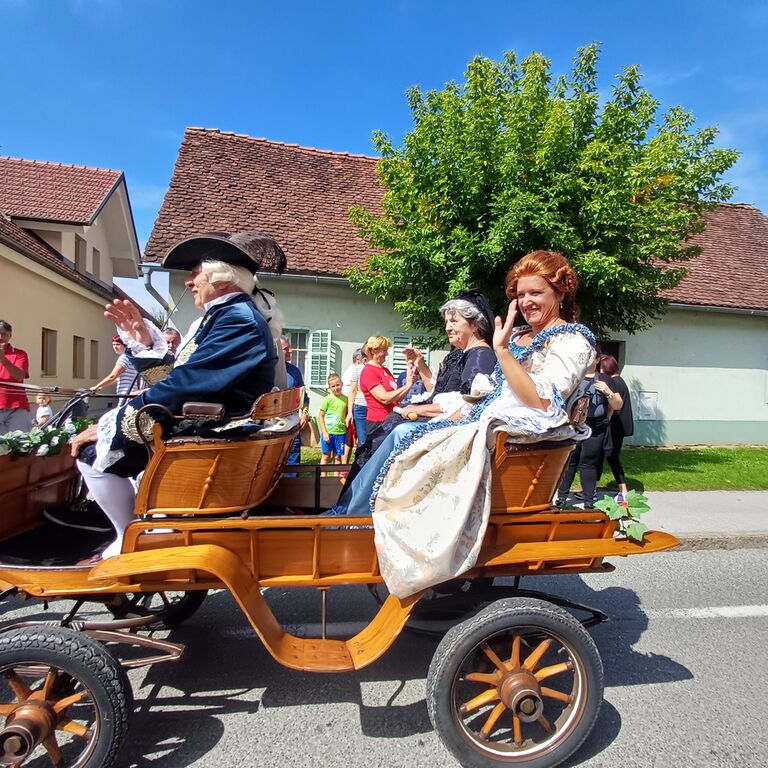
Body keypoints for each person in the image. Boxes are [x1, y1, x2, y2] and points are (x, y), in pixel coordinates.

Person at [329, 250, 596, 599]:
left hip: (517, 437)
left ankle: (354, 520)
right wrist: (453, 409)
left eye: (536, 292)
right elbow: (490, 393)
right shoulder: (519, 336)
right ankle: (354, 516)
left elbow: (542, 402)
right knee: (400, 431)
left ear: (560, 292)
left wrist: (501, 353)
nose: (527, 301)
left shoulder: (571, 341)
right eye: (521, 294)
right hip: (490, 421)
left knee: (404, 433)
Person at [70, 231, 287, 562]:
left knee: (90, 453)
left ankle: (130, 538)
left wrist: (111, 422)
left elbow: (187, 384)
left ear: (221, 278)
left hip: (211, 431)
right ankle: (133, 533)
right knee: (97, 448)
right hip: (201, 423)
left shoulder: (237, 320)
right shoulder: (226, 315)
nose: (189, 282)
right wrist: (145, 345)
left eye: (195, 273)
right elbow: (182, 379)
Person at [346, 290, 497, 480]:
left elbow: (469, 404)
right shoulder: (461, 354)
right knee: (380, 438)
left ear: (474, 324)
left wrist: (419, 409)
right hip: (434, 416)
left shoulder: (480, 355)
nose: (448, 328)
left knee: (396, 433)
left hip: (452, 427)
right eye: (446, 322)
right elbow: (438, 392)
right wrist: (420, 363)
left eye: (454, 321)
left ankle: (371, 494)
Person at [555, 353, 622, 509]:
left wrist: (607, 391)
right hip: (574, 426)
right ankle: (561, 499)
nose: (587, 359)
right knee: (570, 462)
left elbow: (618, 404)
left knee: (589, 463)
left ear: (597, 360)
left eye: (591, 356)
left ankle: (589, 502)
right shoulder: (574, 377)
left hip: (596, 427)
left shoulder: (604, 379)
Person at [358, 336, 414, 435]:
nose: (387, 354)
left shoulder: (385, 370)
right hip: (378, 424)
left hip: (391, 419)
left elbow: (397, 397)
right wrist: (407, 385)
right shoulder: (369, 371)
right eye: (384, 350)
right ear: (374, 351)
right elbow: (384, 398)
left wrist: (410, 383)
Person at [599, 353, 634, 501]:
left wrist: (604, 422)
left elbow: (612, 407)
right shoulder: (620, 380)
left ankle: (623, 489)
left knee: (611, 456)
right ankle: (593, 487)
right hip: (620, 426)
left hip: (615, 426)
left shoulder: (614, 383)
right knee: (607, 456)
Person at [281, 335, 310, 469]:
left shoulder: (295, 371)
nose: (291, 351)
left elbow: (304, 398)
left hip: (292, 426)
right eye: (286, 348)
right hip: (272, 428)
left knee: (293, 467)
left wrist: (304, 414)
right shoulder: (267, 371)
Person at [0, 320, 32, 434]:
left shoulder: (20, 354)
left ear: (10, 335)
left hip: (16, 409)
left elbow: (19, 376)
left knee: (21, 443)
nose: (0, 337)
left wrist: (3, 360)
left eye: (3, 334)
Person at [91, 335, 143, 403]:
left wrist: (96, 387)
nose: (115, 347)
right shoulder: (131, 357)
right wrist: (101, 386)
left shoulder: (124, 358)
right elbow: (117, 379)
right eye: (113, 344)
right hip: (130, 393)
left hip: (126, 393)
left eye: (118, 344)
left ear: (125, 345)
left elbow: (112, 376)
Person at [319, 373, 348, 468]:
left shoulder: (346, 399)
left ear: (342, 384)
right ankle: (322, 476)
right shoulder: (327, 399)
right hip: (328, 432)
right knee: (326, 456)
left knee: (337, 457)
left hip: (340, 433)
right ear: (329, 388)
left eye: (338, 385)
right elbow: (320, 416)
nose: (336, 388)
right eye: (333, 386)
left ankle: (336, 477)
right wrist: (324, 432)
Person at [344, 348, 368, 447]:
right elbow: (352, 391)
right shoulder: (355, 369)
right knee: (356, 439)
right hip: (356, 405)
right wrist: (350, 412)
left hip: (368, 406)